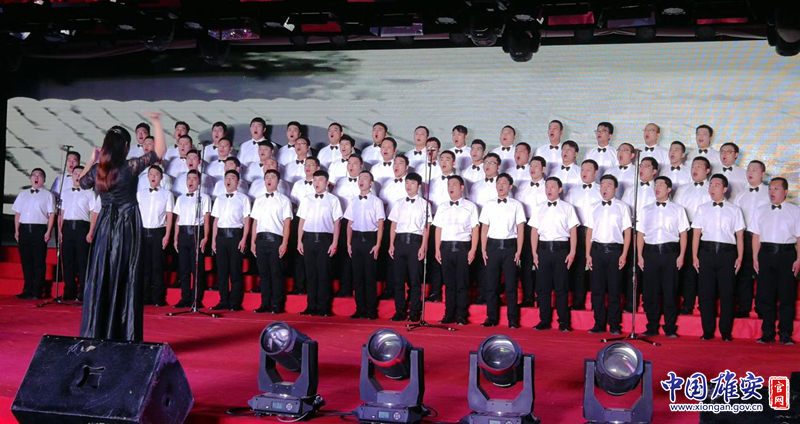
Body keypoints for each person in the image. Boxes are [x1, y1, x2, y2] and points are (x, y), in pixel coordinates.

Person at [78, 114, 166, 341]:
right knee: (126, 274)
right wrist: (156, 122)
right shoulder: (129, 167)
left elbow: (80, 182)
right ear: (126, 146)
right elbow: (159, 152)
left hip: (105, 225)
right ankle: (123, 333)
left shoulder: (98, 169)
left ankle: (98, 331)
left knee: (103, 272)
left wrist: (92, 158)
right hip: (127, 225)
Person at [692, 174, 745, 342]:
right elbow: (696, 234)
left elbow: (739, 236)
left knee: (727, 294)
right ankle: (707, 331)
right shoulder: (702, 208)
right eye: (710, 185)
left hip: (727, 254)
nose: (712, 188)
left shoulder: (735, 210)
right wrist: (694, 256)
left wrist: (740, 257)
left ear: (725, 189)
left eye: (716, 185)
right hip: (706, 253)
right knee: (705, 294)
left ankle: (725, 332)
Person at [750, 177, 800, 345]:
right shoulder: (760, 210)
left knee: (787, 295)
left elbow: (799, 237)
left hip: (787, 254)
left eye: (776, 189)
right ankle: (767, 332)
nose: (772, 192)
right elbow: (756, 236)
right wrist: (755, 257)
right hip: (766, 254)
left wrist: (799, 258)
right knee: (766, 294)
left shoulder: (795, 211)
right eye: (770, 189)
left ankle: (785, 333)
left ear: (785, 191)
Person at [638, 176, 689, 339]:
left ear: (668, 189)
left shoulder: (678, 209)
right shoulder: (646, 210)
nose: (657, 187)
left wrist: (681, 255)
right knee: (650, 292)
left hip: (670, 253)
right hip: (650, 253)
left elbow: (683, 233)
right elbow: (640, 233)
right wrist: (639, 255)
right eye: (656, 184)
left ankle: (670, 327)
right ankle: (652, 326)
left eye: (661, 184)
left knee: (670, 291)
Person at [530, 177, 579, 332]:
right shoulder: (539, 208)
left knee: (561, 288)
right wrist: (534, 253)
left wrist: (572, 252)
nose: (549, 189)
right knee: (543, 288)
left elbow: (573, 231)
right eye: (547, 186)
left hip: (561, 251)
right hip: (543, 250)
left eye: (552, 187)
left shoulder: (568, 208)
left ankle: (563, 322)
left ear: (560, 189)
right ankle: (544, 320)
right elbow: (534, 231)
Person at [586, 175, 631, 335]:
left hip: (615, 251)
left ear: (616, 189)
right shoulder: (593, 207)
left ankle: (614, 324)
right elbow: (589, 231)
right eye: (602, 185)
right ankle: (599, 323)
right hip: (597, 251)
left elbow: (627, 231)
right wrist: (588, 254)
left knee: (614, 289)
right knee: (597, 289)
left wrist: (624, 254)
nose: (604, 188)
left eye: (609, 185)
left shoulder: (623, 207)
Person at [479, 173, 526, 328]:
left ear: (510, 186)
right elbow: (484, 228)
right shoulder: (488, 204)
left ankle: (512, 319)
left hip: (510, 247)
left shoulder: (517, 205)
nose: (501, 185)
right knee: (491, 284)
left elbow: (520, 229)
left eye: (504, 183)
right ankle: (491, 317)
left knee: (511, 285)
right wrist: (483, 249)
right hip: (492, 247)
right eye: (498, 182)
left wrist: (519, 251)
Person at [433, 175, 479, 325]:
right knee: (449, 284)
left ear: (462, 187)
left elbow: (475, 229)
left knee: (462, 284)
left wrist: (473, 249)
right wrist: (437, 249)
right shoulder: (442, 207)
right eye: (449, 185)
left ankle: (461, 315)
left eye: (454, 184)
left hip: (463, 248)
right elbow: (438, 229)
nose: (450, 187)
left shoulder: (470, 206)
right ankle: (448, 314)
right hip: (446, 248)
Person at [297, 170, 343, 317]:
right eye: (315, 180)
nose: (317, 183)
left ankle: (323, 307)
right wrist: (299, 241)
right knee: (310, 275)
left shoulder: (333, 200)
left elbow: (337, 223)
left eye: (320, 180)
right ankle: (311, 306)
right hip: (308, 239)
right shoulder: (306, 199)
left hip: (325, 240)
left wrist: (334, 243)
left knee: (324, 274)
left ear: (327, 182)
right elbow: (301, 221)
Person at [388, 172, 431, 322]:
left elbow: (426, 227)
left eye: (412, 183)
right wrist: (391, 244)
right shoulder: (398, 203)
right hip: (399, 242)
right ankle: (399, 311)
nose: (409, 186)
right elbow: (393, 224)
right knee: (398, 280)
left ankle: (414, 312)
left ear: (419, 186)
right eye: (407, 183)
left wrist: (423, 246)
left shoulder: (425, 204)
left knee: (415, 280)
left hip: (415, 243)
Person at [672, 156, 713, 315]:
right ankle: (687, 304)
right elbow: (675, 211)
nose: (694, 169)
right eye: (693, 167)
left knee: (706, 270)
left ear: (707, 170)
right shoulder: (682, 189)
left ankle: (705, 305)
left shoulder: (712, 188)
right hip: (687, 231)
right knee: (688, 269)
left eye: (699, 167)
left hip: (707, 232)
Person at [250, 169, 293, 314]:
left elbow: (287, 224)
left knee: (276, 273)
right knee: (263, 274)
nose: (269, 180)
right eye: (267, 177)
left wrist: (284, 243)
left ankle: (277, 304)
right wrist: (253, 242)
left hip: (276, 240)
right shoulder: (258, 200)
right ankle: (265, 304)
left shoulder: (284, 200)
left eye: (272, 177)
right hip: (260, 240)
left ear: (278, 181)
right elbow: (255, 222)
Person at [345, 171, 385, 320]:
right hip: (356, 240)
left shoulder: (376, 202)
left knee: (369, 277)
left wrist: (378, 244)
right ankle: (359, 309)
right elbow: (349, 223)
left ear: (371, 183)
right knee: (357, 277)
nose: (361, 180)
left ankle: (371, 310)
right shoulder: (353, 201)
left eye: (365, 178)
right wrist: (348, 243)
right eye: (360, 178)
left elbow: (381, 225)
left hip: (370, 241)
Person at [733, 160, 770, 318]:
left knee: (764, 273)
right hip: (744, 237)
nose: (750, 172)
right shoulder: (741, 194)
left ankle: (763, 307)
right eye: (748, 169)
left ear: (762, 173)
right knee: (743, 273)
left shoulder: (769, 192)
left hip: (764, 237)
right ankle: (743, 307)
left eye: (754, 170)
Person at [210, 170, 251, 311]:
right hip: (221, 237)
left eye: (232, 178)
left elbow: (247, 220)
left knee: (235, 270)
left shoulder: (243, 198)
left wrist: (244, 239)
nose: (229, 180)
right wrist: (213, 240)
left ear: (238, 182)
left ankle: (234, 302)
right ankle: (223, 300)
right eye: (227, 178)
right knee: (222, 271)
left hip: (236, 236)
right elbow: (216, 220)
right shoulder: (219, 199)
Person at [621, 156, 658, 312]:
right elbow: (623, 212)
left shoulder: (658, 189)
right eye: (641, 165)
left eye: (646, 166)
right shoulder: (631, 189)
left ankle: (649, 304)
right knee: (632, 269)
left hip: (650, 234)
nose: (642, 169)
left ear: (654, 171)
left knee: (648, 269)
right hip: (632, 231)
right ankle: (631, 303)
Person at [565, 159, 602, 310]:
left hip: (597, 232)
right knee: (578, 268)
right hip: (578, 232)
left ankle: (596, 303)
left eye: (588, 170)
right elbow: (566, 213)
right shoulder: (573, 191)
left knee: (596, 268)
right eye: (582, 170)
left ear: (596, 172)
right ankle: (578, 301)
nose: (584, 173)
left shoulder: (601, 190)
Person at [13, 168, 56, 299]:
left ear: (44, 179)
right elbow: (18, 213)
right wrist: (17, 230)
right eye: (34, 175)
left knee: (38, 262)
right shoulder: (23, 194)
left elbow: (52, 214)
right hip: (24, 230)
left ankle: (37, 291)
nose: (36, 177)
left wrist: (48, 231)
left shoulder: (48, 195)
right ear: (30, 178)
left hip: (39, 230)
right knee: (26, 262)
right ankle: (27, 289)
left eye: (39, 175)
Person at [172, 170, 211, 309]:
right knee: (183, 269)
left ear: (199, 181)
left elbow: (206, 220)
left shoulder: (204, 197)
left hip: (196, 232)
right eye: (189, 178)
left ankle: (196, 299)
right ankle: (185, 298)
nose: (191, 181)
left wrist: (206, 237)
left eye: (194, 178)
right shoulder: (181, 198)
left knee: (197, 268)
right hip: (183, 234)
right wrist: (175, 237)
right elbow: (178, 219)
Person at [136, 165, 174, 306]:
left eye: (156, 174)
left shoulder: (167, 194)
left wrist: (167, 235)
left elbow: (169, 216)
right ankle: (145, 297)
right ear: (147, 177)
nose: (153, 177)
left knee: (157, 265)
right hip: (143, 232)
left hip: (159, 232)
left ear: (161, 177)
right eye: (151, 174)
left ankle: (158, 298)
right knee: (145, 266)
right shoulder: (140, 194)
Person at [59, 165, 97, 301]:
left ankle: (83, 291)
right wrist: (60, 231)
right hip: (67, 227)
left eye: (81, 173)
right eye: (75, 173)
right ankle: (69, 290)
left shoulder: (90, 193)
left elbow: (94, 214)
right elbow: (61, 213)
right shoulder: (65, 193)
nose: (78, 176)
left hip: (82, 228)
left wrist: (91, 231)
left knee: (83, 261)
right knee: (67, 261)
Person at [516, 156, 547, 307]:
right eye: (531, 166)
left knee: (543, 263)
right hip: (526, 227)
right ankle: (528, 297)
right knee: (526, 263)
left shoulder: (549, 186)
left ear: (543, 169)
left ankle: (542, 297)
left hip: (544, 227)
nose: (533, 169)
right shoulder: (522, 187)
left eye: (536, 166)